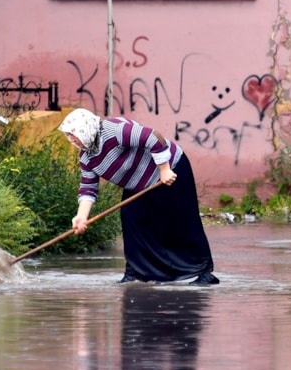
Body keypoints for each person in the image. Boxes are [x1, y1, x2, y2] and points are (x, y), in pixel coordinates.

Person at [58, 108, 219, 285]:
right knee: (132, 220)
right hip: (138, 184)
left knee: (180, 221)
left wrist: (164, 169)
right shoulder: (87, 157)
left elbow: (153, 137)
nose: (72, 140)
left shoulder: (114, 131)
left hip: (170, 169)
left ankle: (204, 272)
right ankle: (136, 272)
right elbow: (88, 187)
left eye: (73, 134)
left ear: (85, 128)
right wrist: (81, 216)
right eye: (68, 136)